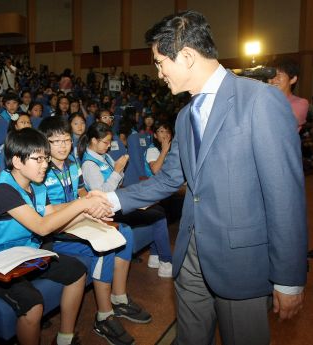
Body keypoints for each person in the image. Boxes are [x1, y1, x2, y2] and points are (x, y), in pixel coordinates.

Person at [101, 11, 307, 345]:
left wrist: (288, 279)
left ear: (186, 56)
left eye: (159, 62)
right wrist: (111, 200)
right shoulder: (185, 116)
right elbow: (169, 179)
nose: (158, 73)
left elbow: (285, 197)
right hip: (191, 258)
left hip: (240, 262)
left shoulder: (260, 100)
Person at [0, 128, 112, 345]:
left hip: (26, 256)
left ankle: (65, 338)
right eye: (38, 159)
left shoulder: (36, 186)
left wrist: (86, 213)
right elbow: (42, 227)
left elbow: (53, 216)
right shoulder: (3, 191)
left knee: (77, 271)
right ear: (17, 161)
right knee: (33, 305)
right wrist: (82, 204)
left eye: (46, 158)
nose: (45, 164)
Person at [40, 117, 151, 345]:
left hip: (78, 220)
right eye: (55, 141)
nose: (62, 145)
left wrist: (93, 207)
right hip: (57, 230)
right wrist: (83, 209)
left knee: (125, 232)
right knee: (105, 245)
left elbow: (81, 192)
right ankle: (104, 315)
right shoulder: (41, 169)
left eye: (66, 140)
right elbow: (48, 214)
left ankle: (118, 299)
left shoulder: (72, 163)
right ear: (44, 144)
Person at [79, 122, 173, 278]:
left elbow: (118, 182)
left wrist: (119, 171)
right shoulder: (89, 164)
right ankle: (165, 261)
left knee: (157, 210)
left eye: (110, 142)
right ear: (94, 141)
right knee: (158, 215)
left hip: (116, 200)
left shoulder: (104, 156)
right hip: (106, 209)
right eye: (105, 142)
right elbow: (100, 194)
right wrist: (117, 171)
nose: (108, 146)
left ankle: (157, 257)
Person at [268, 57, 309, 132]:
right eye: (271, 75)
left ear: (293, 79)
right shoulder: (264, 99)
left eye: (279, 75)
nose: (273, 79)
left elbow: (282, 125)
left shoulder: (301, 103)